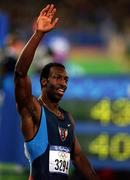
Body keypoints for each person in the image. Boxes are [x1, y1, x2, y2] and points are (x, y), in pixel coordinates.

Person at [14, 4, 100, 180]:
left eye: (66, 79)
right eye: (58, 78)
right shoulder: (34, 110)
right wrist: (38, 34)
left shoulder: (68, 119)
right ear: (44, 81)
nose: (63, 83)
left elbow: (78, 159)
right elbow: (20, 74)